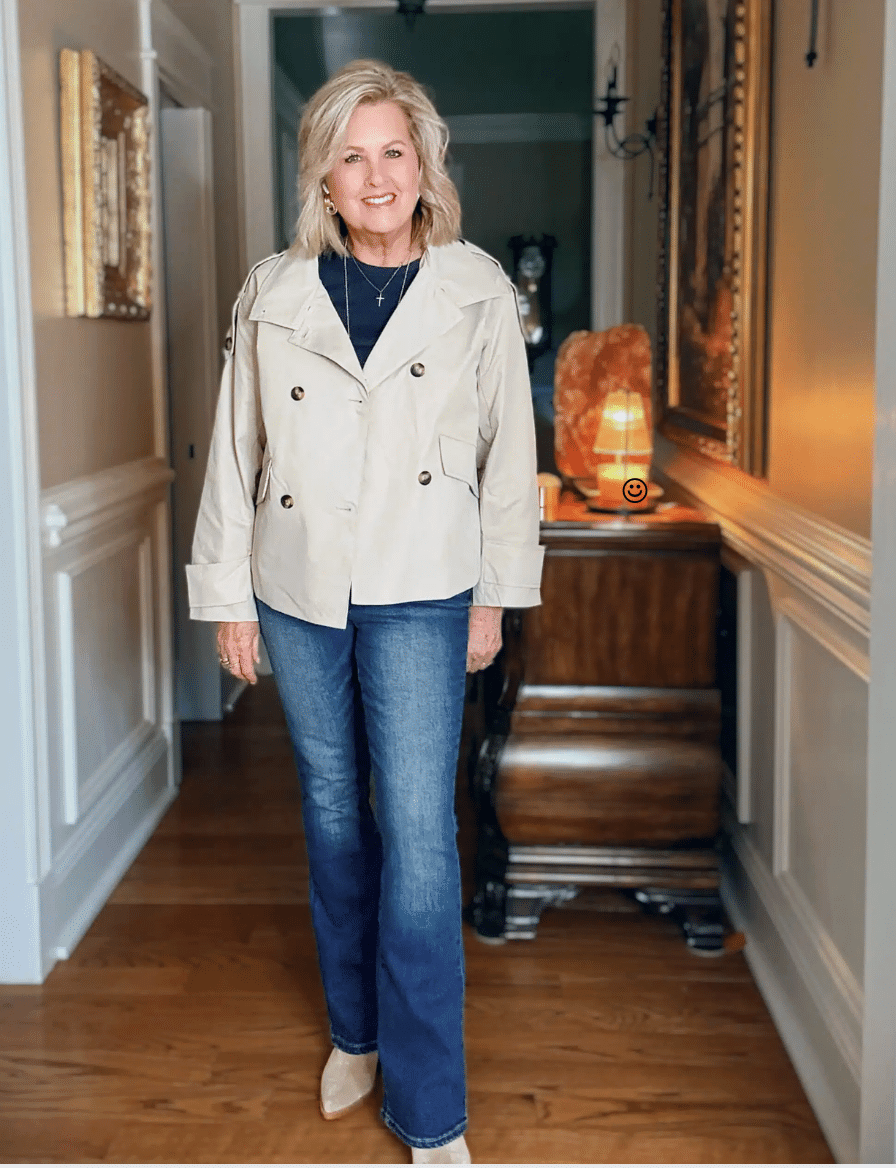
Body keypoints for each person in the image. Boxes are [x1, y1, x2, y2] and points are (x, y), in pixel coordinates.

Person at [186, 58, 544, 1165]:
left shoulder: (478, 289)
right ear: (324, 179)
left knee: (423, 841)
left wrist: (493, 594)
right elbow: (235, 453)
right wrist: (226, 599)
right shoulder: (272, 292)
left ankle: (430, 1106)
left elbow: (505, 459)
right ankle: (355, 1033)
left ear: (424, 165)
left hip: (424, 588)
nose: (376, 173)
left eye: (395, 150)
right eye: (353, 154)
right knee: (335, 814)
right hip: (296, 590)